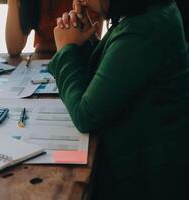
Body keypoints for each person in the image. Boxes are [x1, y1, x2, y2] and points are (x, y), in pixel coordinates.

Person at [49, 0, 189, 199]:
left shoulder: (144, 28)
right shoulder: (149, 10)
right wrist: (82, 43)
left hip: (147, 179)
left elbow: (86, 115)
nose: (80, 1)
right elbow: (115, 79)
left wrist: (66, 50)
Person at [5, 0, 103, 56]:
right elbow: (14, 48)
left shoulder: (87, 2)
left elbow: (94, 45)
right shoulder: (34, 3)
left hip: (77, 64)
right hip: (41, 68)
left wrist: (45, 47)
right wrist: (12, 2)